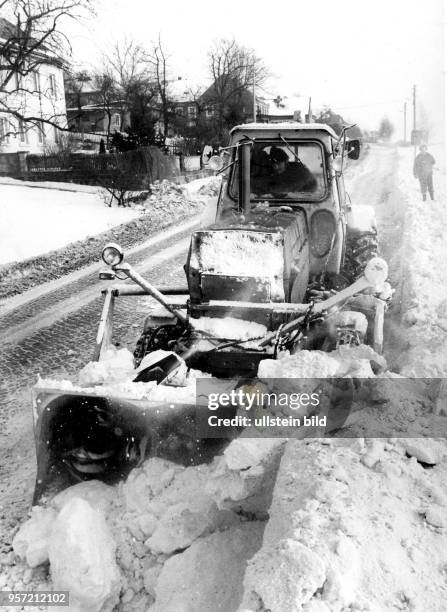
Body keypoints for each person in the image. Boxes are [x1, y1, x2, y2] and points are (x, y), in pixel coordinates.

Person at [252, 146, 317, 196]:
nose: (276, 167)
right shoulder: (277, 172)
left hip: (307, 200)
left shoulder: (299, 171)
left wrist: (263, 188)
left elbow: (284, 189)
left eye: (279, 163)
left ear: (286, 162)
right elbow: (271, 180)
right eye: (273, 164)